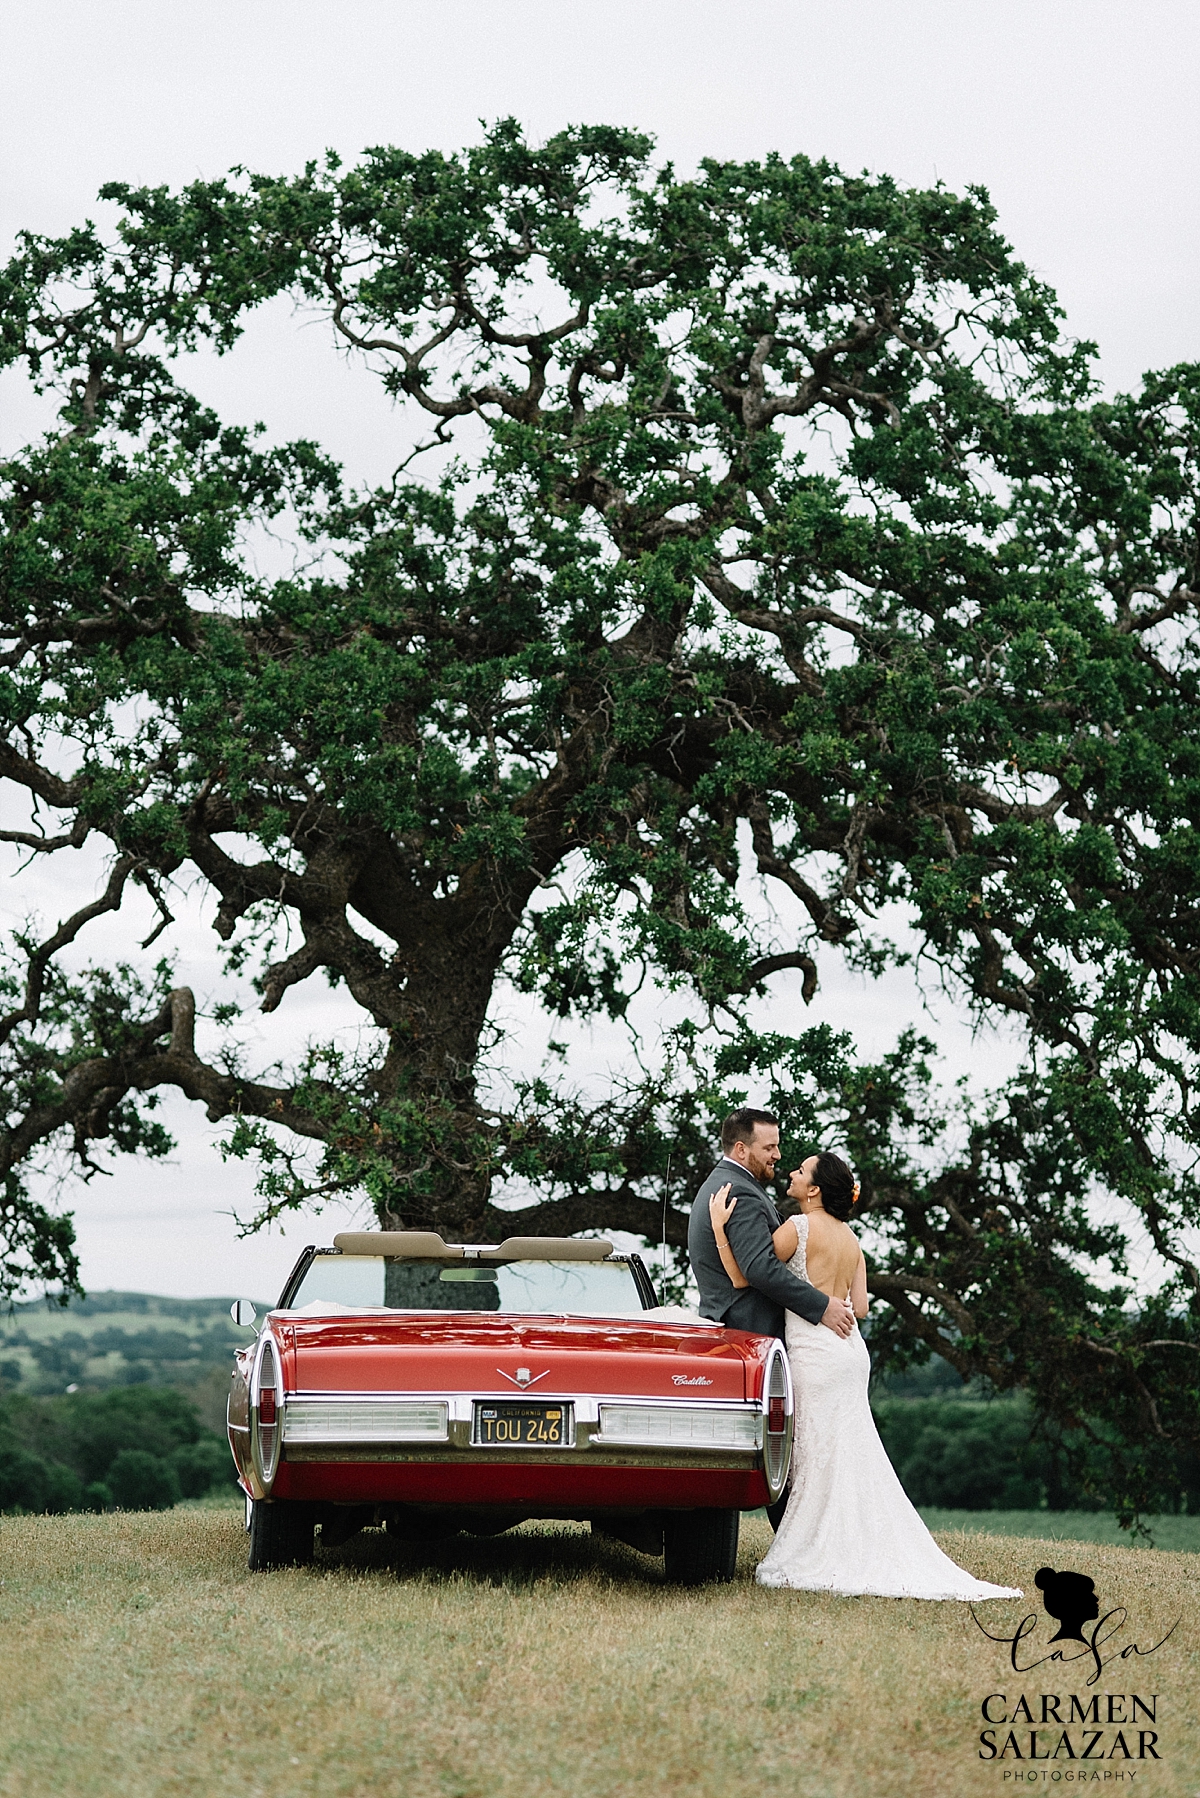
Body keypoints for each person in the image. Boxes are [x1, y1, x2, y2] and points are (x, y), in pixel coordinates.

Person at [709, 1148, 1022, 1601]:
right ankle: (853, 1537)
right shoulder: (852, 1240)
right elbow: (860, 1308)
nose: (792, 1173)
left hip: (815, 1353)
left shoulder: (797, 1227)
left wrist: (721, 1230)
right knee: (848, 1451)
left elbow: (748, 1277)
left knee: (817, 1455)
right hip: (851, 1353)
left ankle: (820, 1546)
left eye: (800, 1171)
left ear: (813, 1190)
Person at [688, 1109, 854, 1530]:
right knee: (780, 1441)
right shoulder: (737, 1193)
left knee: (787, 1442)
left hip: (754, 1331)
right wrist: (821, 1305)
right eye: (769, 1147)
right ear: (741, 1148)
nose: (778, 1155)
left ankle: (802, 1535)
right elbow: (759, 1270)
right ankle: (800, 1536)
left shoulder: (735, 1186)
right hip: (751, 1332)